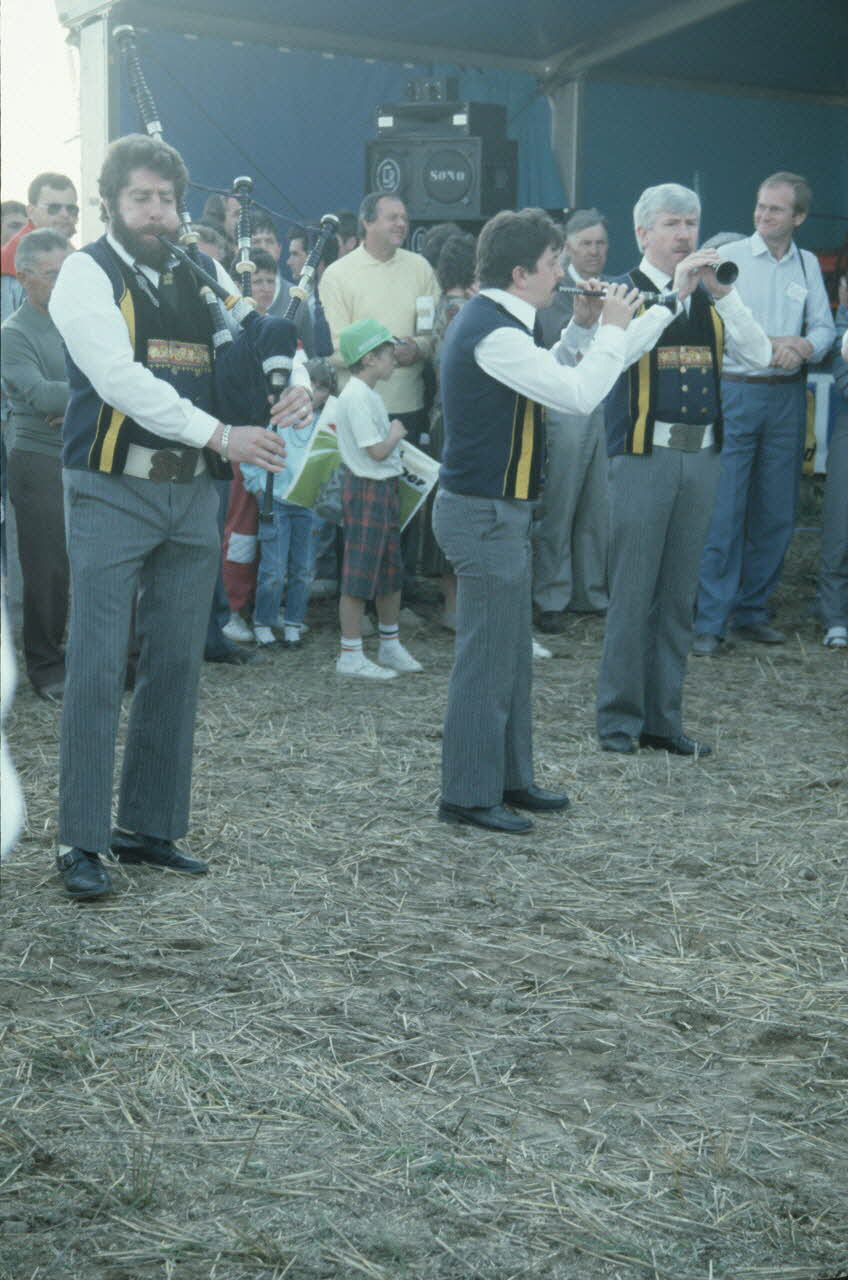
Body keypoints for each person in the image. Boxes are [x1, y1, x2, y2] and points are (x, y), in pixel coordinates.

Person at [47, 132, 311, 901]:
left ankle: (149, 826)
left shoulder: (198, 269)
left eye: (166, 199)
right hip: (110, 487)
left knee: (175, 662)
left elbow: (261, 327)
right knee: (98, 663)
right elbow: (120, 380)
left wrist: (296, 380)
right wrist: (223, 435)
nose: (157, 212)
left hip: (193, 492)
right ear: (111, 204)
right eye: (141, 198)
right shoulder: (85, 274)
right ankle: (80, 839)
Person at [433, 207, 641, 834]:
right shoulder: (492, 332)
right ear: (521, 274)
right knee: (487, 658)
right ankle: (468, 794)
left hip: (499, 512)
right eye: (555, 264)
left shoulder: (498, 324)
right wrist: (614, 330)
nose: (565, 274)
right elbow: (575, 395)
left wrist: (582, 329)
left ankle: (509, 779)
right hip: (483, 514)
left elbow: (544, 372)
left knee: (510, 658)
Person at [567, 184, 771, 756]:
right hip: (643, 457)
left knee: (680, 596)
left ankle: (663, 719)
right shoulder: (621, 292)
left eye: (691, 224)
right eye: (672, 224)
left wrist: (724, 295)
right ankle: (618, 721)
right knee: (633, 591)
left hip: (702, 456)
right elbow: (617, 356)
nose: (685, 235)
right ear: (643, 233)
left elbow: (758, 355)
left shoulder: (711, 298)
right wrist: (673, 298)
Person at [694, 172, 836, 652]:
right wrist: (775, 344)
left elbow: (824, 328)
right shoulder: (729, 258)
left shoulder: (808, 264)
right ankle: (710, 620)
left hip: (787, 396)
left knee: (777, 510)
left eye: (775, 209)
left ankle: (751, 611)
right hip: (737, 391)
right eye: (760, 206)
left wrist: (806, 346)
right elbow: (718, 327)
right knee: (726, 509)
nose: (763, 215)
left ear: (799, 217)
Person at [320, 193, 440, 599]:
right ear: (367, 223)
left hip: (408, 405)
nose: (401, 224)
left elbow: (431, 333)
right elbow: (335, 346)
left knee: (402, 504)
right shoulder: (339, 275)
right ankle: (355, 598)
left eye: (404, 217)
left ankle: (397, 594)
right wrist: (384, 354)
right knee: (356, 510)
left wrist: (417, 348)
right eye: (392, 217)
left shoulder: (420, 268)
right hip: (357, 408)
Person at [533, 208, 612, 631]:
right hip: (563, 410)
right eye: (586, 243)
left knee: (597, 507)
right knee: (559, 506)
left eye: (601, 243)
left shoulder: (615, 292)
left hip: (604, 406)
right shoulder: (553, 292)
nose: (594, 251)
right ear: (568, 248)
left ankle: (590, 592)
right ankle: (551, 596)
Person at [0, 229, 71, 699]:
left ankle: (81, 655)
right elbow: (41, 396)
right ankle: (45, 667)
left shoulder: (77, 320)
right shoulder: (13, 333)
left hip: (82, 452)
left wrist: (72, 403)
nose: (62, 283)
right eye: (52, 275)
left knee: (82, 564)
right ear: (24, 277)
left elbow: (114, 374)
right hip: (39, 458)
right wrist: (94, 394)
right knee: (47, 569)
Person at [334, 318, 423, 680]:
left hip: (381, 488)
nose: (394, 359)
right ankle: (350, 654)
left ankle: (389, 643)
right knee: (359, 573)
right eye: (387, 353)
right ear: (369, 358)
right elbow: (375, 451)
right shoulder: (356, 396)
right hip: (367, 488)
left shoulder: (367, 394)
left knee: (389, 571)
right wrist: (396, 433)